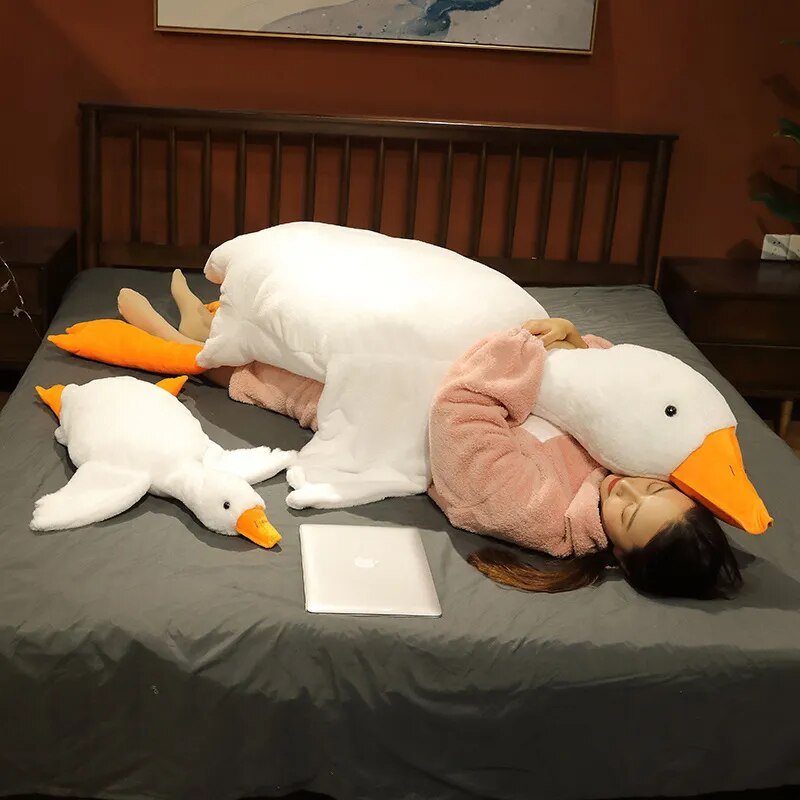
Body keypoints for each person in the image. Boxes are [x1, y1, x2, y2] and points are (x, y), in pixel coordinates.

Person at [117, 273, 742, 600]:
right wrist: (575, 346)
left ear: (618, 555)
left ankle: (187, 347)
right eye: (654, 490)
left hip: (402, 417)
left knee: (277, 376)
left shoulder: (541, 510)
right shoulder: (619, 468)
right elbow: (600, 397)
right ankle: (216, 317)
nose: (630, 490)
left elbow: (457, 421)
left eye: (631, 514)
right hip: (459, 367)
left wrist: (522, 347)